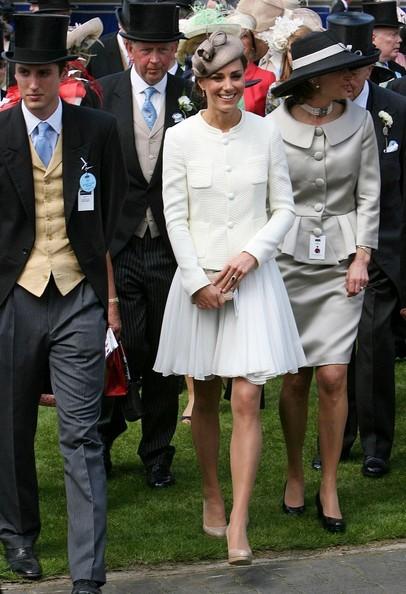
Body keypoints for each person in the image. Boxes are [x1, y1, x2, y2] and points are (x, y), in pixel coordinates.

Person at [154, 30, 306, 564]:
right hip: (198, 283)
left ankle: (240, 519)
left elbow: (284, 208)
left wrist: (253, 255)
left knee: (247, 395)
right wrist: (196, 279)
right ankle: (212, 494)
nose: (226, 86)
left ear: (247, 77)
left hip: (253, 278)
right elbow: (174, 214)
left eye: (234, 76)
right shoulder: (179, 139)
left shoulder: (266, 135)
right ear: (199, 85)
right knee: (208, 395)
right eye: (216, 78)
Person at [0, 12, 127, 594]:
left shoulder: (96, 130)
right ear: (15, 75)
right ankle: (20, 534)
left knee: (80, 435)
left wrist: (106, 297)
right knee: (11, 425)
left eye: (43, 72)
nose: (33, 83)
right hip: (14, 297)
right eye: (24, 72)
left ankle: (87, 574)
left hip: (77, 295)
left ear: (62, 73)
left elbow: (111, 210)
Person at [268, 30, 380, 532]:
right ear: (316, 80)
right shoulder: (270, 128)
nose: (356, 80)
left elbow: (370, 194)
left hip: (341, 263)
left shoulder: (361, 122)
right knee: (295, 377)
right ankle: (295, 473)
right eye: (346, 72)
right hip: (288, 263)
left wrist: (362, 255)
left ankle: (329, 482)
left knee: (334, 374)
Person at [98, 2, 191, 488]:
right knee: (120, 345)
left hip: (172, 247)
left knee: (165, 355)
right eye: (145, 49)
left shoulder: (190, 95)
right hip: (118, 245)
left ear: (175, 50)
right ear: (128, 48)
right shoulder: (102, 94)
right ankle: (106, 436)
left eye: (162, 49)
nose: (153, 59)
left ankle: (158, 452)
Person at [326, 11, 406, 477]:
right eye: (342, 71)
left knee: (373, 348)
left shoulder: (398, 109)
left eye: (358, 70)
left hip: (383, 254)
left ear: (372, 65)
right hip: (327, 253)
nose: (351, 80)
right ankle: (337, 437)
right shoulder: (312, 113)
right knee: (332, 352)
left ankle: (376, 443)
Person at [363, 1, 406, 85]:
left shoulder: (399, 70)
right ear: (372, 38)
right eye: (394, 35)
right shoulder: (361, 73)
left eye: (399, 34)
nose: (400, 40)